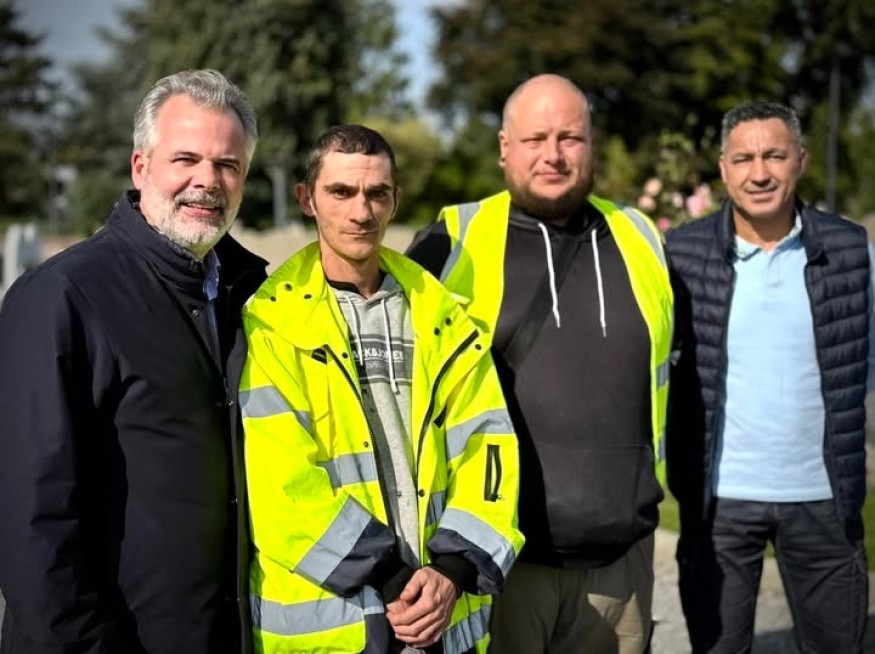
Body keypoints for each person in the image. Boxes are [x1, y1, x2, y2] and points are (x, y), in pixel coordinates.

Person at [0, 69, 267, 653]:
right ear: (141, 167)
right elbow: (29, 524)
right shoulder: (62, 296)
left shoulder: (253, 297)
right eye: (186, 159)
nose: (207, 181)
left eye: (227, 165)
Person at [406, 74, 673, 654]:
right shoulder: (452, 240)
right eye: (535, 139)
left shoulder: (641, 238)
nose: (553, 155)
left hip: (619, 572)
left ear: (591, 144)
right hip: (497, 568)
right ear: (505, 147)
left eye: (569, 137)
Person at [240, 124, 524, 654]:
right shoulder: (270, 323)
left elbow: (489, 447)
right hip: (332, 632)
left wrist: (453, 570)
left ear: (396, 200)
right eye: (340, 192)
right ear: (306, 199)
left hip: (443, 621)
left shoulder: (443, 315)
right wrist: (393, 577)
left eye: (377, 193)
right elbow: (281, 488)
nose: (361, 211)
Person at [665, 101, 871, 653]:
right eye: (744, 159)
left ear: (800, 159)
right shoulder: (681, 254)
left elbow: (864, 365)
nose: (760, 173)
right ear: (724, 168)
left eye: (775, 156)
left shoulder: (851, 250)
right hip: (719, 505)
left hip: (824, 500)